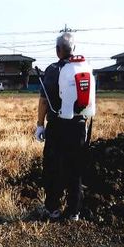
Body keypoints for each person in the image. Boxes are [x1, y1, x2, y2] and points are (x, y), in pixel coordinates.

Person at [35, 33, 94, 221]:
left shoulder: (53, 70)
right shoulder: (84, 68)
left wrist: (39, 125)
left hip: (58, 125)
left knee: (53, 166)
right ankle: (74, 211)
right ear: (74, 49)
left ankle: (52, 209)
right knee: (75, 167)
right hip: (79, 125)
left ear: (58, 50)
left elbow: (44, 101)